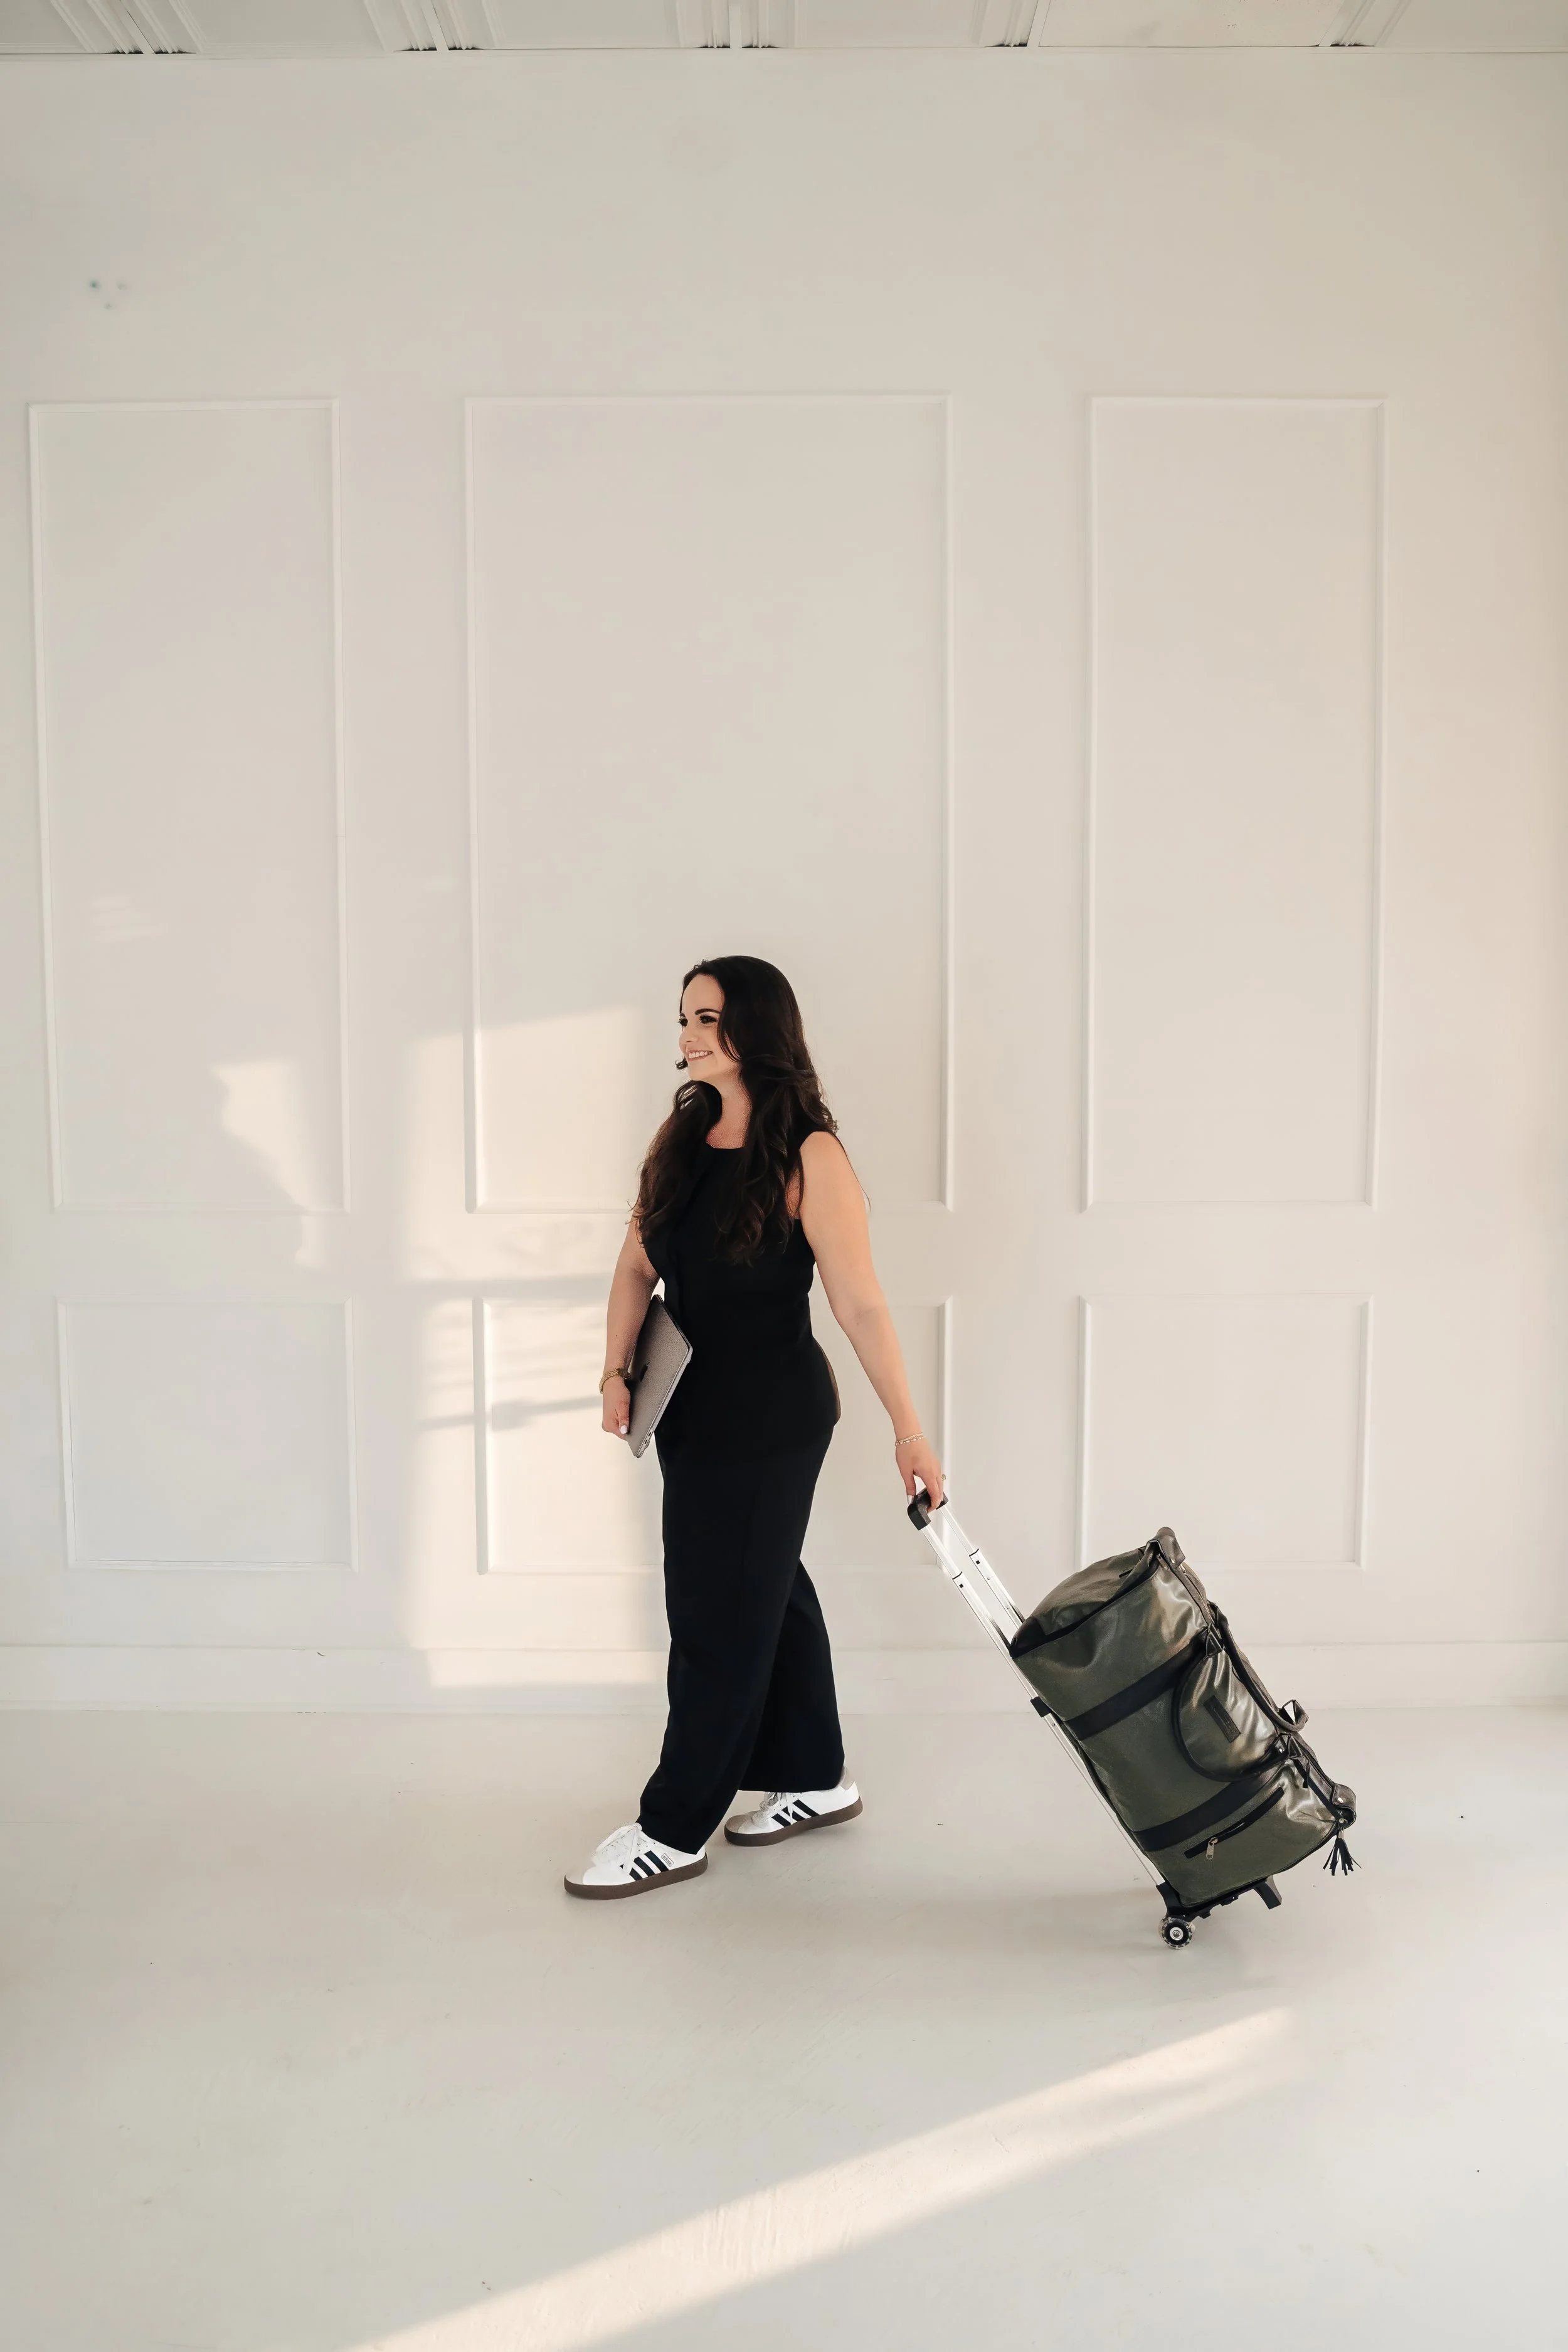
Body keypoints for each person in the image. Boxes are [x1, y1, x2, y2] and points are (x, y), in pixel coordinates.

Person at [564, 956, 946, 1900]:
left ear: (757, 1028)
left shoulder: (809, 1152)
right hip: (690, 1406)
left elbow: (860, 1303)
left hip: (772, 1414)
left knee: (712, 1612)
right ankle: (816, 1777)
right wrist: (616, 1370)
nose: (687, 1037)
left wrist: (910, 1430)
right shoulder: (683, 1135)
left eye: (706, 1019)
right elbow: (632, 1270)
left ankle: (675, 1825)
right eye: (683, 1019)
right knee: (763, 1586)